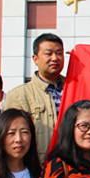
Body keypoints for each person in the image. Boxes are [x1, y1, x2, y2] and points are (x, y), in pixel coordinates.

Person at [5, 33, 66, 164]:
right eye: (48, 53)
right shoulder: (18, 95)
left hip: (72, 168)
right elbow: (12, 138)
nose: (55, 58)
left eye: (59, 53)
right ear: (35, 59)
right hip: (37, 167)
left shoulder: (75, 89)